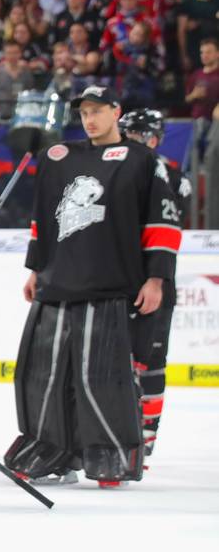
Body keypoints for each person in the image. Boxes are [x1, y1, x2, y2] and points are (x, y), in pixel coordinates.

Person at [4, 86, 179, 487]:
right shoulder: (59, 158)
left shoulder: (142, 160)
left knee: (99, 377)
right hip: (57, 282)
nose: (90, 119)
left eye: (97, 110)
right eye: (83, 112)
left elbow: (162, 225)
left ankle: (108, 455)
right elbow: (43, 219)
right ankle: (50, 450)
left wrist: (157, 278)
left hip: (110, 285)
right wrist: (35, 270)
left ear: (116, 112)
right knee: (40, 375)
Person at [118, 109, 187, 456]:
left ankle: (145, 436)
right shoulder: (112, 170)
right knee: (115, 363)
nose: (131, 140)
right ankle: (115, 435)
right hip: (117, 282)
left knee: (153, 364)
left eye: (138, 134)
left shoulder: (173, 177)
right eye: (127, 133)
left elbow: (165, 229)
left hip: (157, 282)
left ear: (154, 139)